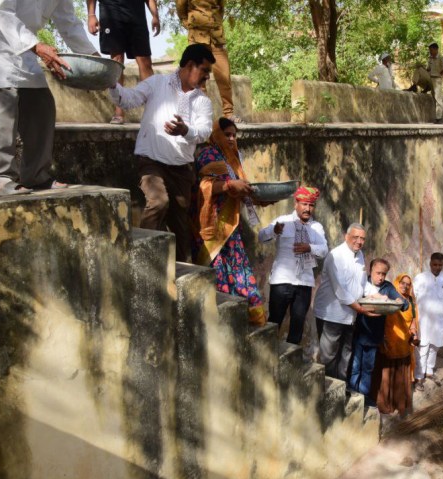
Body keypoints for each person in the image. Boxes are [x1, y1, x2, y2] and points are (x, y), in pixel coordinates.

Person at [0, 0, 98, 197]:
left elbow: (69, 23)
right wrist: (36, 46)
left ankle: (36, 175)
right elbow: (1, 10)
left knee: (42, 104)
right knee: (4, 102)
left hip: (21, 42)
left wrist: (95, 58)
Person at [111, 44, 214, 262]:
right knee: (158, 202)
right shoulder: (157, 83)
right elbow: (128, 99)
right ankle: (139, 257)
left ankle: (182, 273)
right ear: (189, 65)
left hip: (182, 170)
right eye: (204, 70)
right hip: (151, 162)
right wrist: (110, 82)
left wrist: (185, 130)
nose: (207, 77)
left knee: (181, 228)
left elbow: (204, 132)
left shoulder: (203, 101)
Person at [194, 116, 267, 324]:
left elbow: (242, 188)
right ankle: (221, 324)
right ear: (216, 134)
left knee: (241, 276)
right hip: (212, 228)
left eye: (235, 135)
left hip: (231, 228)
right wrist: (227, 186)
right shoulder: (208, 154)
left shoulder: (233, 158)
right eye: (227, 135)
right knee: (218, 277)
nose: (232, 139)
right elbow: (203, 187)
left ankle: (248, 321)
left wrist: (261, 199)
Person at [258, 186, 328, 344]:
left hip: (304, 283)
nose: (308, 209)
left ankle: (290, 364)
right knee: (273, 323)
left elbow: (324, 250)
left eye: (311, 205)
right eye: (304, 204)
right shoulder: (282, 221)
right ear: (296, 203)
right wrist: (273, 231)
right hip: (282, 281)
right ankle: (266, 359)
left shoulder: (317, 227)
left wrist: (310, 247)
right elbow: (261, 237)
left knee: (297, 326)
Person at [313, 224, 376, 381]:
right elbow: (340, 290)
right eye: (355, 237)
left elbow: (362, 284)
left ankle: (340, 389)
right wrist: (361, 309)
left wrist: (379, 296)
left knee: (346, 354)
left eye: (362, 238)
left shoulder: (360, 255)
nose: (359, 241)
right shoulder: (336, 256)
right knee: (329, 357)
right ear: (346, 236)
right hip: (331, 315)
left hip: (350, 316)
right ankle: (328, 391)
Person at [87, 0, 160, 124]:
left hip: (136, 12)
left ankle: (152, 111)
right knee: (117, 60)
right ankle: (119, 112)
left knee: (145, 61)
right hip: (111, 9)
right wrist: (91, 15)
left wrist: (155, 16)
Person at [349, 259, 409, 401]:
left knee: (368, 369)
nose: (381, 277)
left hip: (375, 337)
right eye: (378, 273)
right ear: (370, 271)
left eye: (384, 274)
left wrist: (401, 301)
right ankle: (351, 397)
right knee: (355, 367)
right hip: (359, 332)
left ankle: (363, 399)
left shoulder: (387, 287)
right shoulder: (362, 283)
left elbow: (404, 305)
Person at [177, 0, 240, 122]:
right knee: (198, 79)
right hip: (196, 35)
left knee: (224, 76)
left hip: (216, 36)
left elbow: (221, 6)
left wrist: (215, 21)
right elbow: (181, 5)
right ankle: (202, 114)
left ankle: (228, 113)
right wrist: (187, 21)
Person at [371, 274, 417, 415]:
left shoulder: (410, 303)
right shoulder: (390, 301)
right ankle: (385, 404)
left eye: (408, 284)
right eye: (402, 283)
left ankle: (399, 404)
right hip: (389, 344)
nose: (405, 286)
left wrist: (414, 334)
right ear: (397, 283)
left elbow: (413, 321)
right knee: (387, 375)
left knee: (400, 378)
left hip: (404, 345)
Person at [413, 253, 443, 391]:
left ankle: (429, 370)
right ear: (430, 263)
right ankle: (419, 376)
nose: (437, 267)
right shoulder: (420, 278)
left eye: (440, 265)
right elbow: (413, 298)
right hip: (423, 319)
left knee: (434, 346)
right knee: (423, 347)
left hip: (439, 319)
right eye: (435, 264)